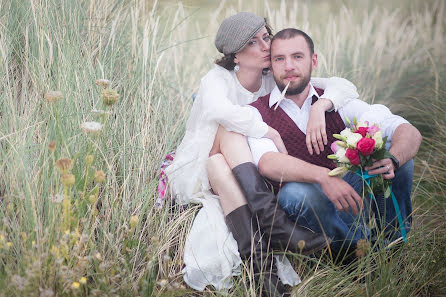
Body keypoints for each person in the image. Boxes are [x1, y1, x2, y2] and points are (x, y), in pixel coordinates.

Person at [164, 13, 360, 294]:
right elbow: (221, 112)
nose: (266, 46)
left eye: (266, 37)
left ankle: (263, 272)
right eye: (253, 43)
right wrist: (267, 131)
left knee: (219, 164)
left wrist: (321, 106)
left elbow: (342, 85)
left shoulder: (272, 78)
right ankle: (274, 224)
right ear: (235, 56)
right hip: (198, 167)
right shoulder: (217, 79)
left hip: (234, 170)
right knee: (229, 132)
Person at [247, 28, 422, 259]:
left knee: (393, 157)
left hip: (350, 195)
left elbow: (405, 130)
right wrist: (322, 177)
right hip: (309, 212)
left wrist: (393, 159)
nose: (289, 66)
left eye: (297, 57)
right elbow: (267, 162)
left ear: (314, 60)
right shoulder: (256, 112)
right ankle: (355, 252)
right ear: (271, 64)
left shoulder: (336, 100)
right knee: (293, 194)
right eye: (280, 59)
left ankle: (392, 246)